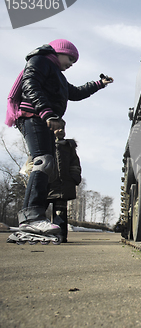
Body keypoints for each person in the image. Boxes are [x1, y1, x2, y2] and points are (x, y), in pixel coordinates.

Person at [5, 39, 113, 239]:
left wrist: (99, 84)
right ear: (58, 52)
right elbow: (30, 86)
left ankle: (30, 217)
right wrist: (47, 114)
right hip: (33, 117)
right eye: (70, 58)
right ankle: (31, 217)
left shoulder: (58, 76)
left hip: (41, 118)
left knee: (46, 163)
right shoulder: (40, 61)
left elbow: (76, 93)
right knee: (43, 161)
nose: (72, 63)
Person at [47, 127, 82, 243]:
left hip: (64, 184)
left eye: (62, 128)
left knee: (60, 211)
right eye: (57, 128)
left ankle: (60, 234)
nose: (60, 130)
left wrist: (74, 177)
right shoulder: (45, 144)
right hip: (48, 183)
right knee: (40, 208)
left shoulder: (69, 147)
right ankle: (39, 233)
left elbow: (75, 163)